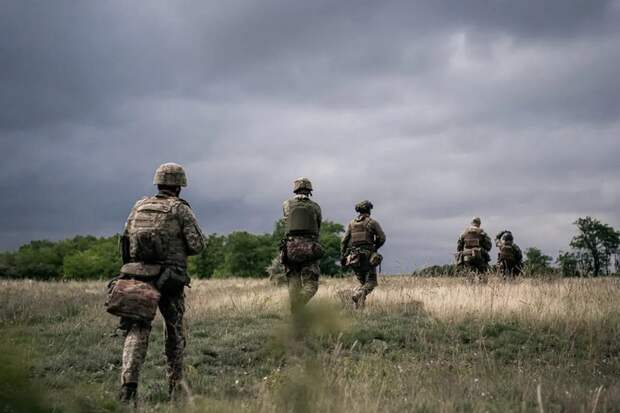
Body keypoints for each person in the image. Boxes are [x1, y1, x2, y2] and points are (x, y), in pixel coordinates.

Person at [117, 163, 205, 404]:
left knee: (137, 329)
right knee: (174, 332)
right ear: (179, 186)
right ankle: (176, 387)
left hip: (137, 276)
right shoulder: (180, 209)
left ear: (158, 183)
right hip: (170, 280)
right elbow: (197, 245)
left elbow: (125, 241)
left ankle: (128, 386)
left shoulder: (139, 206)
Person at [281, 177, 323, 318]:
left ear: (295, 189)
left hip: (290, 248)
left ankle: (295, 311)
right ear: (309, 190)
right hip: (309, 248)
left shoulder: (287, 204)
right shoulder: (315, 207)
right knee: (311, 282)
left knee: (293, 279)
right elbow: (318, 226)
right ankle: (299, 303)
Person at [340, 200, 386, 308]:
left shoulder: (351, 223)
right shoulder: (372, 223)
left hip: (354, 258)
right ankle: (358, 294)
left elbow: (344, 241)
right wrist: (375, 247)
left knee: (362, 283)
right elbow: (382, 238)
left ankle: (359, 309)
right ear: (369, 210)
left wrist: (343, 256)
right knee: (371, 282)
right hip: (368, 256)